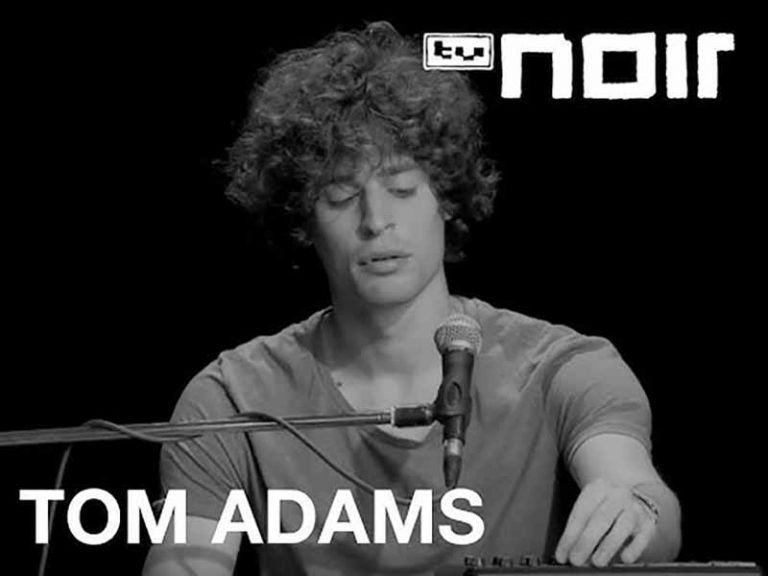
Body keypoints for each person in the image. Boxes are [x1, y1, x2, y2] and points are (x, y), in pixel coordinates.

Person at [142, 21, 681, 576]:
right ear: (302, 220)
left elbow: (643, 500)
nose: (376, 221)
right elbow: (185, 564)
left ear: (444, 195)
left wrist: (633, 510)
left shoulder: (560, 368)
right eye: (340, 196)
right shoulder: (232, 399)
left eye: (401, 189)